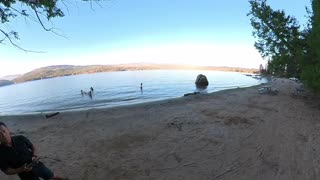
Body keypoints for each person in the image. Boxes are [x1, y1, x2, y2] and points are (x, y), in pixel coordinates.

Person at [0, 122, 67, 180]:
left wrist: (35, 154)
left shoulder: (20, 138)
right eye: (0, 134)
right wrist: (21, 169)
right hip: (25, 175)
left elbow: (32, 146)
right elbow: (7, 170)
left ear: (8, 130)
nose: (3, 135)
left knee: (52, 176)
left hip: (36, 165)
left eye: (4, 131)